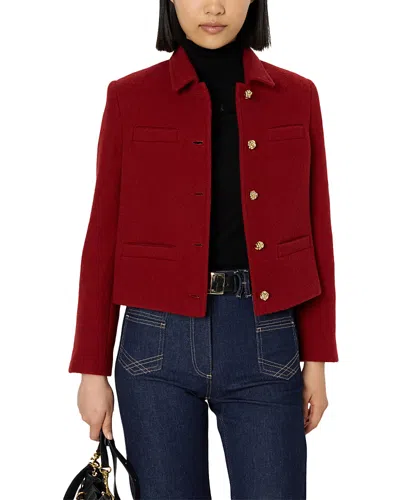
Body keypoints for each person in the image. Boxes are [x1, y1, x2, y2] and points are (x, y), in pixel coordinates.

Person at [68, 0, 339, 498]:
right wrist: (92, 370)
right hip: (155, 349)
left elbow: (315, 229)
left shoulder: (297, 96)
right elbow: (102, 236)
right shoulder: (130, 97)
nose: (214, 7)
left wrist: (317, 360)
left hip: (266, 340)